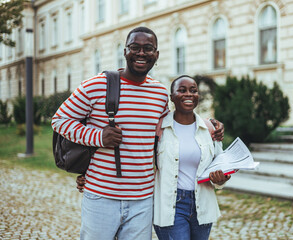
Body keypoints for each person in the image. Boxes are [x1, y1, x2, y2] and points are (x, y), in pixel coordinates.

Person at [52, 26, 224, 240]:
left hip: (143, 200)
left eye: (148, 48)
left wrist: (210, 126)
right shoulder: (96, 85)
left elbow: (171, 128)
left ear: (156, 55)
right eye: (135, 47)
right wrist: (98, 137)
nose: (141, 53)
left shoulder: (160, 94)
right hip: (101, 195)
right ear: (125, 51)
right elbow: (60, 120)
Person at [153, 75, 230, 240]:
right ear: (172, 97)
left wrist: (221, 178)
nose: (188, 94)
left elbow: (220, 164)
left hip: (202, 204)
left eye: (193, 91)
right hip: (171, 206)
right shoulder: (159, 129)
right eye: (182, 90)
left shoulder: (210, 128)